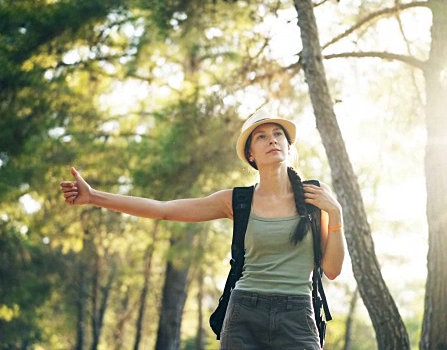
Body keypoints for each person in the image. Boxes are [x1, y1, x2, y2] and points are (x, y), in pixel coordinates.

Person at [59, 110, 346, 349]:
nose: (271, 140)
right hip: (245, 313)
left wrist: (336, 214)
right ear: (251, 154)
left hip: (297, 315)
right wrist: (94, 196)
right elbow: (165, 210)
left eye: (278, 134)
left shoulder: (315, 197)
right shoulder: (237, 201)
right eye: (261, 136)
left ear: (288, 146)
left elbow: (332, 269)